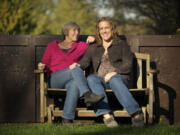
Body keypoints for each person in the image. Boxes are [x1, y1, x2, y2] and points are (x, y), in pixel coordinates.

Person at [70, 17, 144, 128]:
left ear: (112, 29)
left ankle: (136, 114)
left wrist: (115, 72)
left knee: (114, 80)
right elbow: (84, 62)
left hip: (120, 79)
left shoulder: (121, 44)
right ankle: (107, 116)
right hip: (101, 81)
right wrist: (78, 65)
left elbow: (128, 64)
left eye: (106, 28)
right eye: (101, 29)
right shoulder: (94, 47)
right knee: (91, 78)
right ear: (98, 31)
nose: (104, 31)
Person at [38, 21, 104, 124]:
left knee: (74, 83)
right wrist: (42, 66)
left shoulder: (81, 46)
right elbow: (45, 64)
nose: (77, 32)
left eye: (78, 30)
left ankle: (67, 119)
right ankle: (87, 95)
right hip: (55, 79)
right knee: (76, 68)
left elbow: (98, 39)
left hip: (73, 79)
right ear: (66, 32)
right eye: (74, 30)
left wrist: (93, 38)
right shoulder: (52, 46)